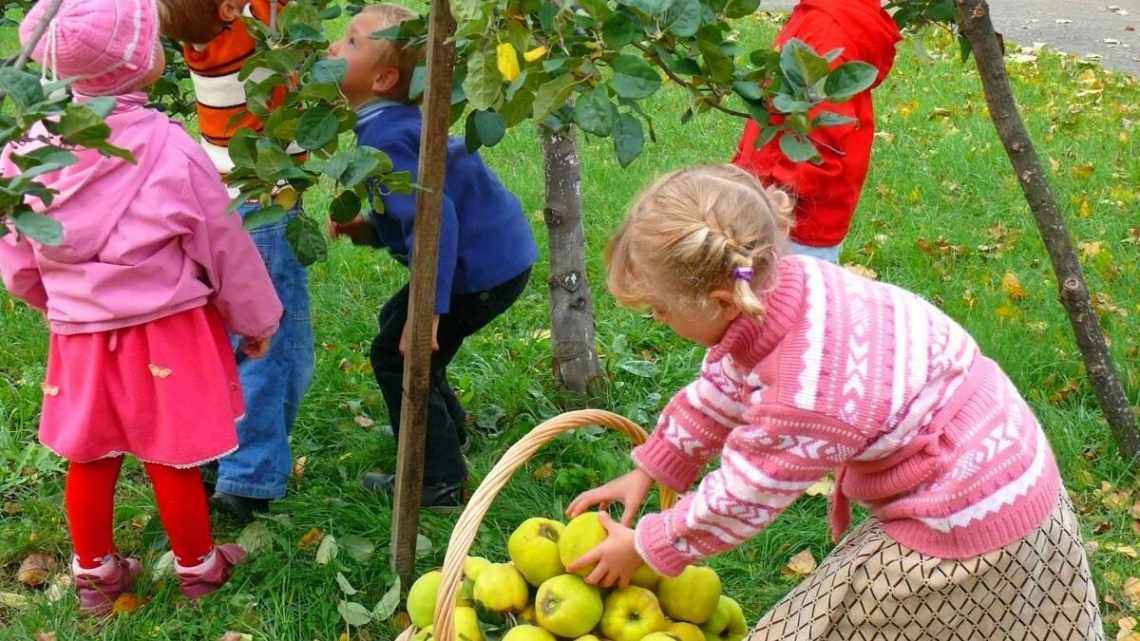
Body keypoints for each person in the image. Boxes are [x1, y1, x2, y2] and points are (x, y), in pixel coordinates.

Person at [565, 165, 1103, 640]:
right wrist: (657, 465)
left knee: (835, 622)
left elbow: (743, 494)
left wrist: (646, 545)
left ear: (722, 300)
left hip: (966, 516)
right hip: (1001, 459)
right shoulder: (790, 286)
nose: (659, 321)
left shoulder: (807, 394)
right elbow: (723, 386)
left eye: (659, 310)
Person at [0, 0, 283, 613]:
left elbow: (17, 249)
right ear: (138, 63)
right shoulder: (168, 145)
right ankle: (198, 568)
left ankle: (96, 577)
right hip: (167, 332)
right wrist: (256, 320)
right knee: (171, 454)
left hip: (79, 336)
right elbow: (223, 243)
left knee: (90, 454)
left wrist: (51, 300)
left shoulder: (26, 150)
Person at [327, 4, 537, 510]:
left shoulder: (383, 135)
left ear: (382, 78)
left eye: (350, 43)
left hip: (478, 270)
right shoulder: (391, 123)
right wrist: (369, 228)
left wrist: (428, 315)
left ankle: (438, 481)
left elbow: (432, 218)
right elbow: (416, 204)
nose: (334, 47)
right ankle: (449, 432)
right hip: (495, 256)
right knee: (394, 328)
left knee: (399, 354)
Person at [157, 0, 315, 523]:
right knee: (271, 342)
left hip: (219, 199)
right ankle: (249, 475)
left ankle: (212, 449)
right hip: (263, 202)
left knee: (226, 339)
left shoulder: (198, 36)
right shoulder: (251, 26)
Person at [733, 0, 901, 263]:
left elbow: (821, 137)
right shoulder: (824, 14)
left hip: (792, 221)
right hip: (784, 208)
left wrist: (778, 199)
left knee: (787, 296)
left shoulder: (827, 28)